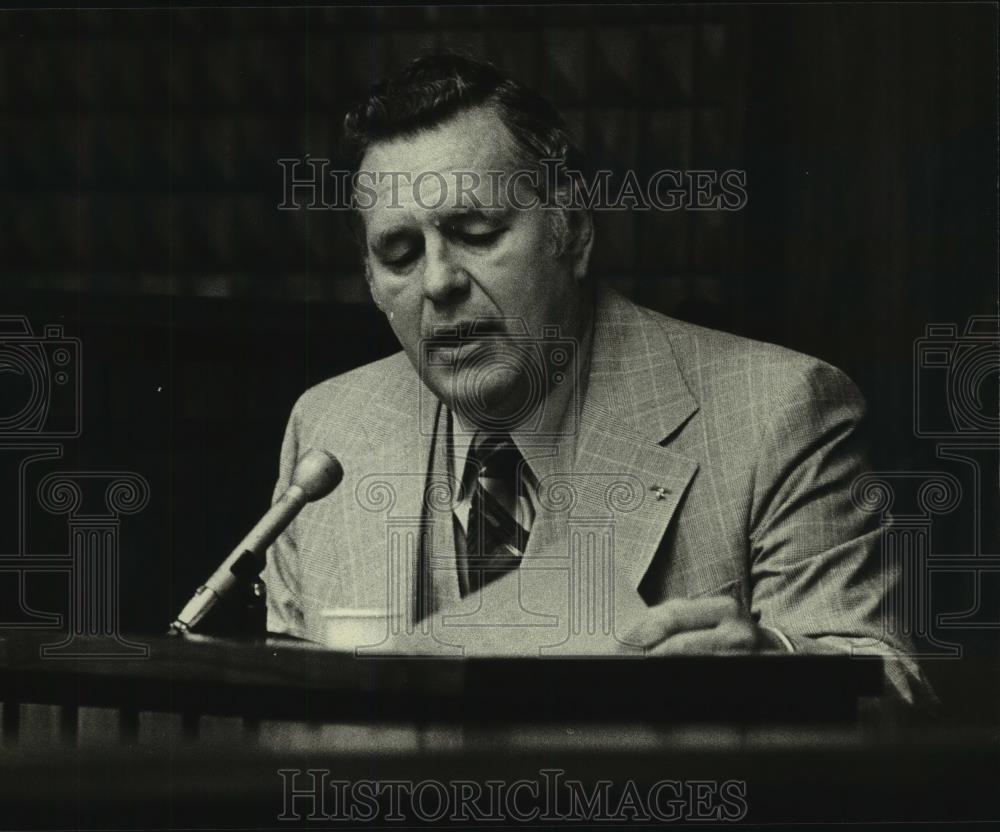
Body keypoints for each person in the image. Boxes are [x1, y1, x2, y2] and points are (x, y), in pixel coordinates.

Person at [263, 53, 931, 708]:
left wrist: (777, 672)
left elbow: (890, 692)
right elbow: (281, 721)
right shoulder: (329, 430)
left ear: (574, 231)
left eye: (476, 232)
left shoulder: (780, 410)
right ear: (372, 280)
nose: (439, 282)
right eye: (399, 254)